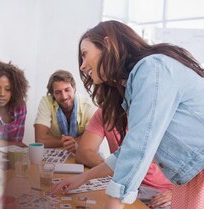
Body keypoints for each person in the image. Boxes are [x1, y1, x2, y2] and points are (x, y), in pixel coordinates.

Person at [51, 20, 204, 209]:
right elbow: (127, 152)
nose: (82, 66)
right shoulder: (135, 84)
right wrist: (84, 178)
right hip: (190, 177)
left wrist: (114, 203)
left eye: (85, 54)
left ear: (107, 44)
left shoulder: (152, 68)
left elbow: (139, 145)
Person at [75, 109, 173, 208]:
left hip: (160, 193)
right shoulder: (107, 111)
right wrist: (106, 170)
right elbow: (84, 152)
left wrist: (175, 194)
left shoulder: (159, 112)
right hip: (125, 186)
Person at [34, 70, 97, 153]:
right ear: (52, 94)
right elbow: (40, 139)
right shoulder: (46, 102)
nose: (64, 96)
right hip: (57, 153)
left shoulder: (88, 105)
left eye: (67, 90)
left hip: (82, 151)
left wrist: (74, 142)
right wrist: (72, 142)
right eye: (58, 92)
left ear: (74, 89)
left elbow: (92, 139)